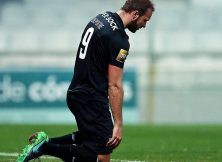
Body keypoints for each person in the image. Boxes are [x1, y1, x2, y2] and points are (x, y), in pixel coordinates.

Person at [16, 0, 154, 162]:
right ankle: (43, 147)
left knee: (94, 136)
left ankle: (45, 143)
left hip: (77, 91)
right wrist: (118, 124)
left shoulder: (101, 18)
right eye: (145, 20)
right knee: (102, 155)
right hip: (91, 97)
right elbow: (114, 85)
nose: (144, 25)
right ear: (135, 14)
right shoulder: (119, 39)